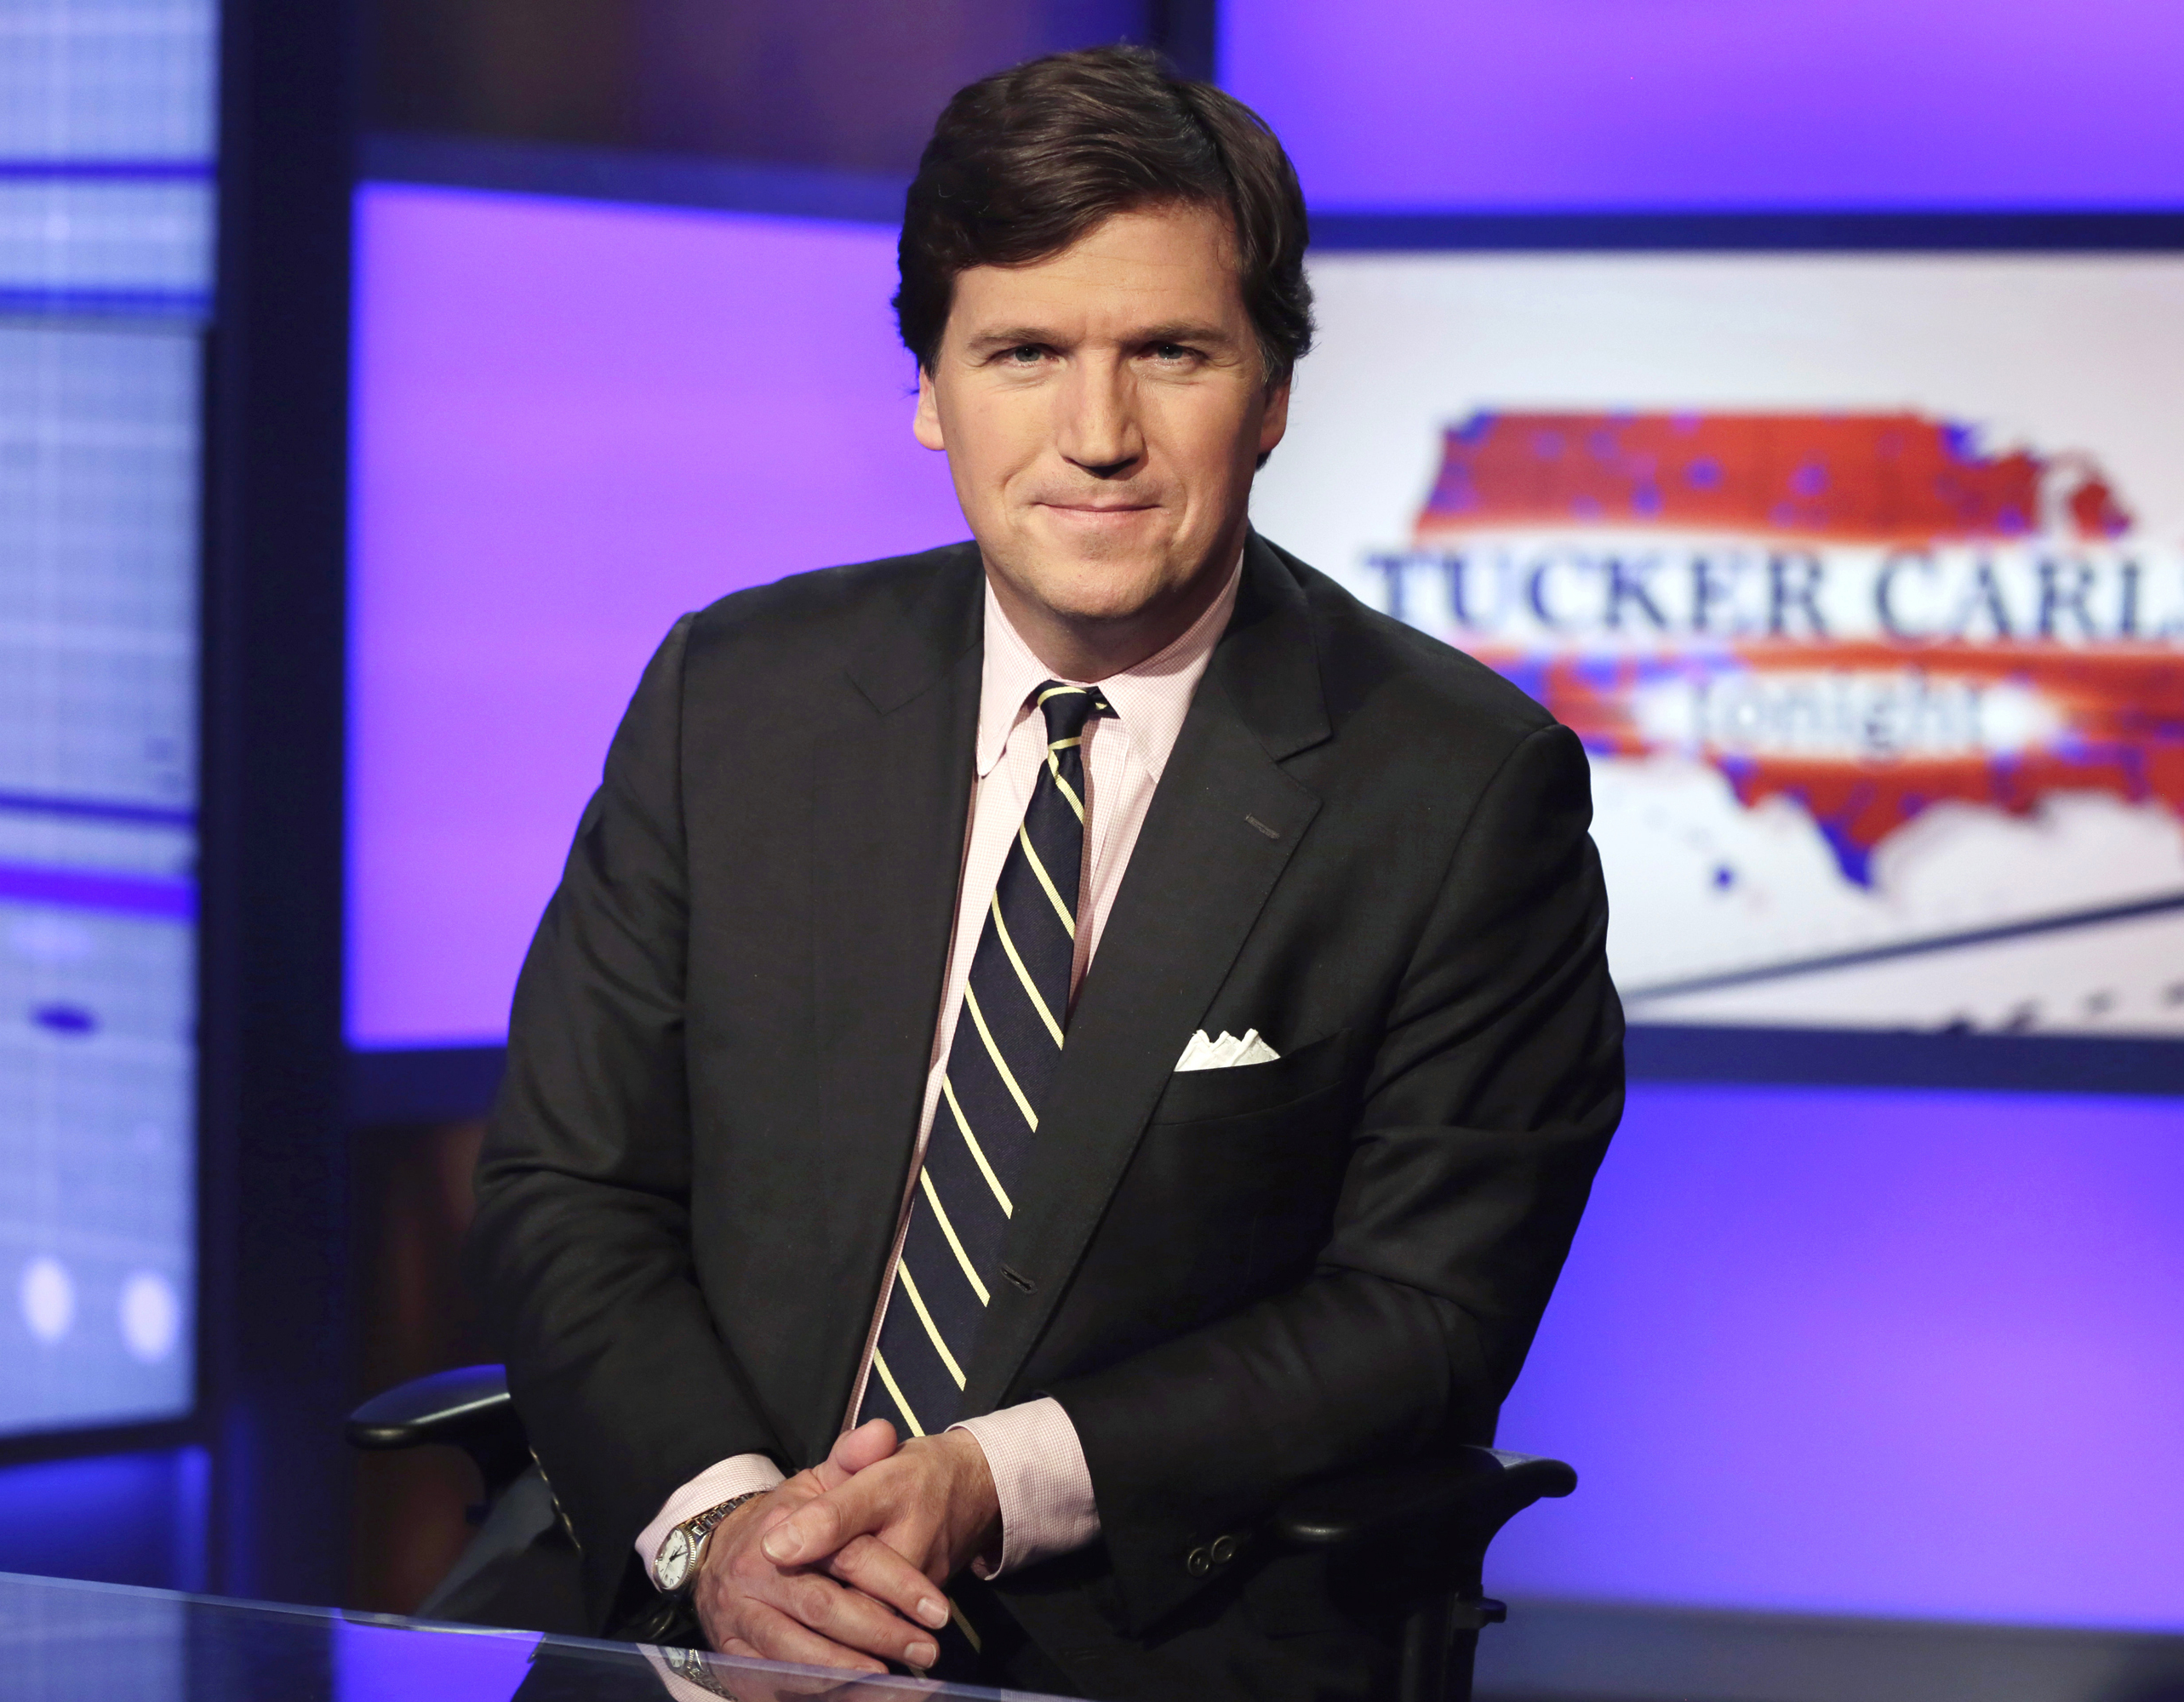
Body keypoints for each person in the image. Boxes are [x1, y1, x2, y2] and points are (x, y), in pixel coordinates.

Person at [471, 43, 1623, 1702]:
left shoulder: (1457, 787)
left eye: (1170, 351)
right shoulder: (733, 695)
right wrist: (727, 1528)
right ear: (931, 388)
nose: (1097, 435)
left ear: (1276, 391)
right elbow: (569, 1190)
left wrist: (982, 1481)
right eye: (1024, 351)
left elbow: (1421, 1308)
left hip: (1130, 1640)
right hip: (688, 1613)